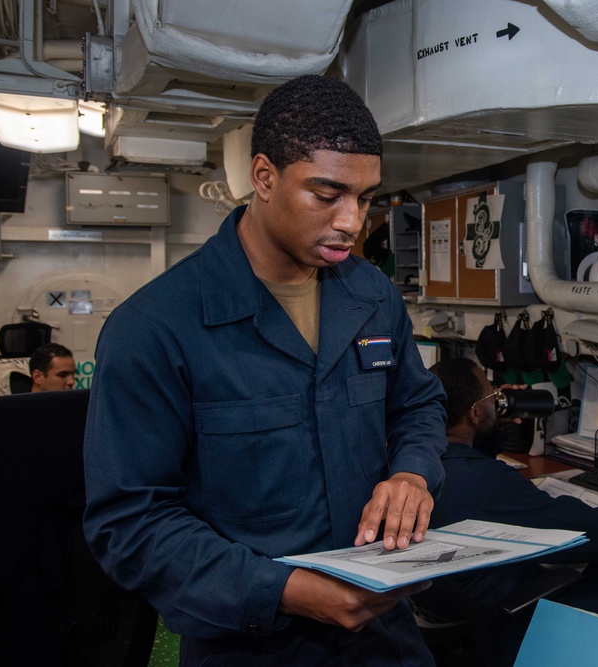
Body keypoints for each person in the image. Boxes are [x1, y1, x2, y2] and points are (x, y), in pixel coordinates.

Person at [82, 75, 448, 666]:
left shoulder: (372, 294)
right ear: (263, 177)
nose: (352, 222)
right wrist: (284, 591)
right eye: (326, 194)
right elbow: (130, 524)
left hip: (384, 637)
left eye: (366, 197)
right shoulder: (154, 328)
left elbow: (417, 405)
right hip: (251, 643)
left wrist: (412, 472)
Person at [420, 358, 598, 664]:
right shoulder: (487, 482)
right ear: (474, 413)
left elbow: (470, 460)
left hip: (443, 607)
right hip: (503, 614)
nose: (497, 401)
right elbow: (582, 529)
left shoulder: (424, 463)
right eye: (491, 396)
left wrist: (492, 427)